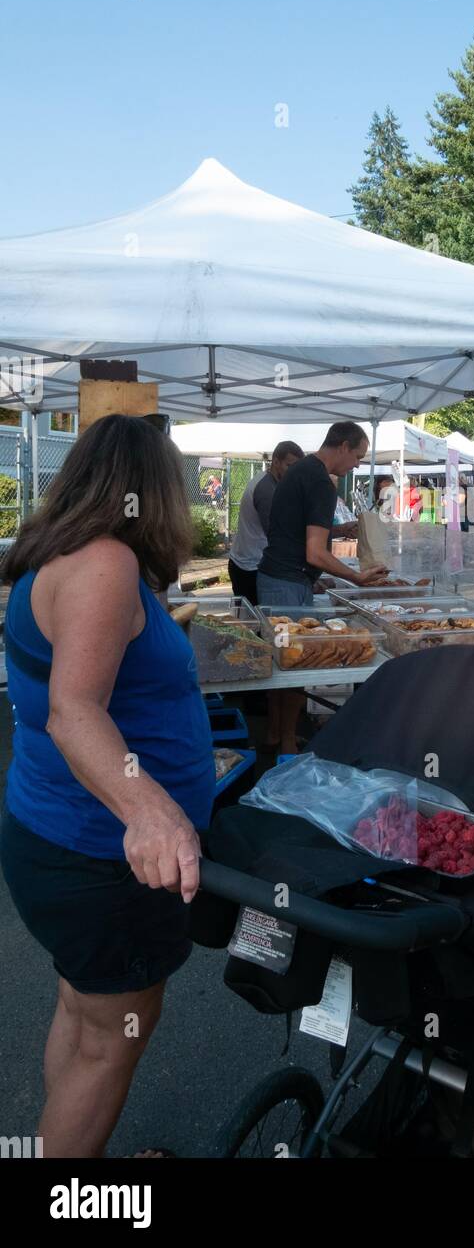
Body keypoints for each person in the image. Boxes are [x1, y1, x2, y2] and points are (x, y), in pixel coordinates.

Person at [0, 415, 216, 1158]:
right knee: (108, 1044)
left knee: (85, 1016)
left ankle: (58, 1152)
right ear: (153, 488)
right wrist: (152, 812)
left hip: (56, 842)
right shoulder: (103, 563)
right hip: (101, 859)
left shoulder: (60, 554)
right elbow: (73, 711)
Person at [257, 422, 388, 753]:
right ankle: (286, 743)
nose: (357, 464)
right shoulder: (321, 482)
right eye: (357, 456)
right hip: (286, 582)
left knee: (279, 663)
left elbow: (300, 539)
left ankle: (275, 733)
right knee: (294, 664)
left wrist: (316, 576)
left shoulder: (301, 470)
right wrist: (355, 577)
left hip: (281, 576)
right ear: (342, 446)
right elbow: (314, 551)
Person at [228, 441, 304, 605]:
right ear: (276, 461)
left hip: (249, 563)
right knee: (257, 625)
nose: (293, 472)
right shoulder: (266, 489)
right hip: (249, 568)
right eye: (289, 466)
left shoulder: (271, 481)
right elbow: (277, 536)